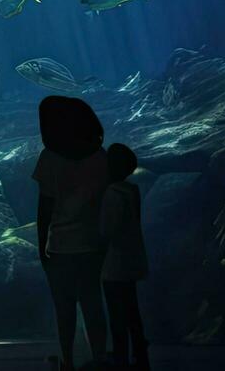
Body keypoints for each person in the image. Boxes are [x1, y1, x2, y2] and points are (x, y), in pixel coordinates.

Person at [33, 96, 109, 371]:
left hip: (60, 246)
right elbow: (104, 202)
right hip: (92, 243)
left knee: (63, 308)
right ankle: (99, 357)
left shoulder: (49, 158)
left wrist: (41, 245)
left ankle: (67, 359)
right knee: (93, 303)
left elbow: (45, 207)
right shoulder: (101, 156)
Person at [100, 143, 149, 369]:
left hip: (114, 262)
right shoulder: (132, 190)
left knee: (116, 312)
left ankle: (120, 355)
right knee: (132, 308)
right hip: (132, 257)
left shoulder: (111, 194)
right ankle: (140, 351)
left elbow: (107, 230)